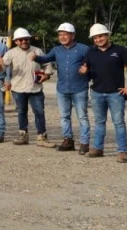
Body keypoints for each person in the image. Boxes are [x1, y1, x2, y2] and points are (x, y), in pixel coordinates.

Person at [81, 23, 127, 163]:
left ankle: (122, 152)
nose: (98, 39)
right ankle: (98, 148)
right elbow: (84, 68)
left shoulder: (119, 50)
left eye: (100, 36)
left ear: (107, 35)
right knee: (99, 122)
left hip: (116, 94)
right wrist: (82, 71)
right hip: (96, 93)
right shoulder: (90, 52)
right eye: (95, 38)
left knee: (119, 123)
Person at [32, 23, 91, 154]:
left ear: (73, 35)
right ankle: (68, 140)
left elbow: (93, 63)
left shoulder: (84, 49)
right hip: (62, 89)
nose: (62, 37)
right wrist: (36, 57)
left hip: (79, 88)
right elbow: (45, 58)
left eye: (65, 34)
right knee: (64, 116)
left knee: (82, 117)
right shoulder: (56, 50)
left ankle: (85, 143)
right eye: (60, 34)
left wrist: (88, 70)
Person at [0, 28, 56, 148]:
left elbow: (48, 64)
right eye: (20, 39)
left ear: (29, 39)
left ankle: (41, 137)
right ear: (16, 41)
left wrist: (46, 74)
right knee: (21, 112)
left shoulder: (37, 51)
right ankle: (23, 135)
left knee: (39, 112)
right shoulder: (11, 53)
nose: (24, 41)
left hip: (35, 87)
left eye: (26, 39)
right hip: (18, 88)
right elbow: (1, 69)